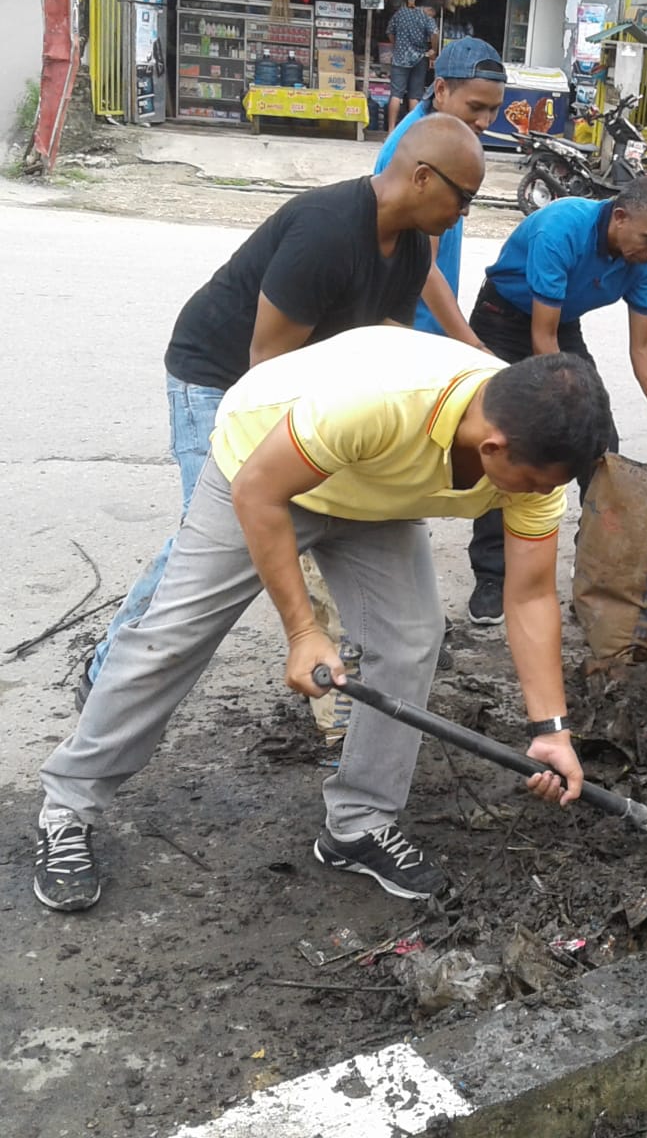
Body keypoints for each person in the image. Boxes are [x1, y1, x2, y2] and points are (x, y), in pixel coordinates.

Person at [34, 329, 614, 912]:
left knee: (411, 640)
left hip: (376, 493)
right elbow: (260, 492)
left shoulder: (535, 463)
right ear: (492, 447)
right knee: (174, 636)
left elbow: (531, 596)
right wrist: (303, 631)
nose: (544, 494)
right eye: (538, 482)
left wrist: (551, 730)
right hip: (264, 467)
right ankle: (68, 805)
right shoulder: (381, 402)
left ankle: (358, 825)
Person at [77, 114, 485, 706]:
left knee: (292, 514)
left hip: (298, 382)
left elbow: (382, 357)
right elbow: (266, 368)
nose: (466, 213)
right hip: (222, 375)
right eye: (464, 196)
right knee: (217, 535)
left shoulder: (413, 251)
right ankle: (113, 668)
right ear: (423, 178)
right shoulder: (327, 229)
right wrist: (288, 487)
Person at [464, 174, 647, 627]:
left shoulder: (644, 258)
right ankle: (492, 575)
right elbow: (538, 336)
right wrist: (560, 414)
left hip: (561, 324)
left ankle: (595, 571)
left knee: (600, 443)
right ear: (620, 217)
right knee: (509, 443)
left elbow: (643, 347)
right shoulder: (562, 228)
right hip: (503, 321)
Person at [374, 36, 508, 346]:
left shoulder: (443, 136)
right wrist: (473, 345)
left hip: (426, 327)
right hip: (411, 333)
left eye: (494, 109)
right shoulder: (421, 149)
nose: (485, 121)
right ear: (441, 90)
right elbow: (425, 267)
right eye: (476, 107)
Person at [385, 0, 440, 132]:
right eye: (433, 14)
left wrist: (396, 45)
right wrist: (434, 50)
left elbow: (389, 31)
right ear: (430, 10)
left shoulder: (401, 13)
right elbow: (435, 34)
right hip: (419, 59)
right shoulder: (426, 17)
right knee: (414, 96)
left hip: (399, 58)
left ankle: (391, 130)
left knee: (396, 94)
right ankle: (412, 131)